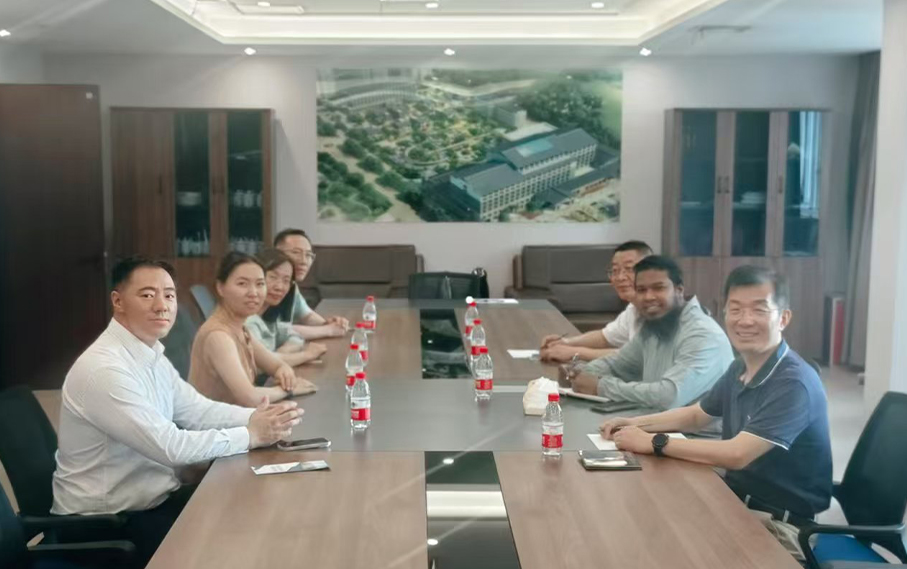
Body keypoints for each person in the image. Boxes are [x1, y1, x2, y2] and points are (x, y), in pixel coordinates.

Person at [52, 257, 303, 565]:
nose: (162, 306)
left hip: (151, 500)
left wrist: (259, 419)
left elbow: (197, 410)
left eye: (169, 295)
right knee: (236, 536)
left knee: (251, 506)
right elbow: (171, 448)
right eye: (147, 295)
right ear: (118, 301)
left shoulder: (149, 353)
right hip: (106, 524)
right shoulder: (105, 370)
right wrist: (250, 435)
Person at [599, 266, 832, 561]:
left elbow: (737, 454)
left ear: (783, 318)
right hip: (736, 500)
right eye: (735, 309)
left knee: (665, 548)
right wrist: (635, 423)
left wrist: (654, 442)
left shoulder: (794, 383)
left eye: (759, 310)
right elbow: (698, 415)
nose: (745, 320)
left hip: (782, 527)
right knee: (643, 521)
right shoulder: (741, 366)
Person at [565, 256, 733, 410]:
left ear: (679, 290)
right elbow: (616, 365)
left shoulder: (702, 334)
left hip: (699, 433)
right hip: (654, 425)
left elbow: (669, 396)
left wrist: (601, 386)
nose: (648, 297)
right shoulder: (655, 327)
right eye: (641, 290)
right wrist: (584, 372)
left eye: (658, 288)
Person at [189, 252, 317, 407]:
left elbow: (276, 365)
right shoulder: (218, 336)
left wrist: (284, 372)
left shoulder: (239, 327)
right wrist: (287, 390)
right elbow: (249, 397)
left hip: (238, 416)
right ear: (220, 288)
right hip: (217, 422)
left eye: (260, 284)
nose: (253, 293)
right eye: (242, 284)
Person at [540, 240, 652, 362]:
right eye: (615, 270)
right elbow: (605, 337)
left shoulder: (659, 310)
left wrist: (575, 353)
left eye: (629, 269)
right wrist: (567, 342)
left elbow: (636, 357)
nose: (620, 277)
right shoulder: (634, 308)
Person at [246, 248, 328, 367]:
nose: (279, 287)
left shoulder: (268, 316)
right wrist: (307, 355)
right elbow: (260, 364)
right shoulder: (247, 320)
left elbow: (294, 335)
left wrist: (281, 354)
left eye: (286, 281)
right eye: (273, 277)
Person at [274, 228, 350, 339]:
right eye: (296, 252)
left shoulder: (292, 286)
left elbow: (306, 315)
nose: (304, 261)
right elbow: (275, 331)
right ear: (276, 254)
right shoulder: (263, 284)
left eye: (308, 255)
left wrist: (328, 324)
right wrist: (328, 330)